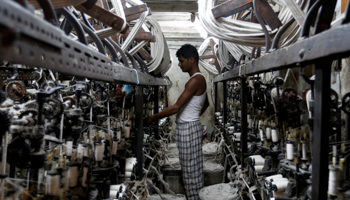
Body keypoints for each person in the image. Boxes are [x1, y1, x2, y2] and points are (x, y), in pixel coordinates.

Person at [144, 44, 209, 200]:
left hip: (188, 129)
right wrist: (191, 116)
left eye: (181, 61)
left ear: (191, 60)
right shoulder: (197, 80)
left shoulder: (196, 80)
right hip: (189, 127)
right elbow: (205, 103)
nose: (179, 64)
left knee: (191, 173)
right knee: (191, 170)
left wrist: (153, 117)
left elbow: (175, 107)